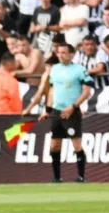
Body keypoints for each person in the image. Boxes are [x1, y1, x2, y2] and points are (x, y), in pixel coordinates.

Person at [37, 42, 94, 183]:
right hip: (57, 111)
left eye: (64, 53)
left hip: (72, 112)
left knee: (76, 145)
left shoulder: (79, 70)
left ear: (72, 54)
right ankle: (56, 177)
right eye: (59, 53)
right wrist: (47, 109)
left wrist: (73, 107)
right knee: (54, 144)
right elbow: (51, 91)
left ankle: (81, 177)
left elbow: (87, 91)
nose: (61, 55)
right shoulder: (54, 69)